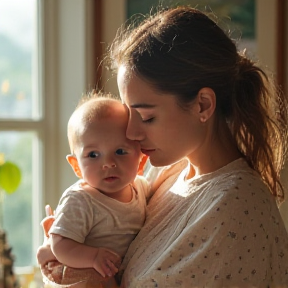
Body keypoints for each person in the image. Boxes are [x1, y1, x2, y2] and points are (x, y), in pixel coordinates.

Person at [38, 5, 288, 287]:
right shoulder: (168, 173)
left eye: (146, 117)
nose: (131, 133)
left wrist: (65, 266)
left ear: (203, 105)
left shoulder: (235, 207)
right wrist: (68, 245)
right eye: (130, 115)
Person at [37, 93, 151, 287]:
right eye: (93, 154)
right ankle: (46, 255)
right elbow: (61, 245)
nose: (108, 163)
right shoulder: (81, 200)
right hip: (83, 270)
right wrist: (92, 256)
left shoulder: (141, 188)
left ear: (141, 159)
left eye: (120, 151)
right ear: (76, 166)